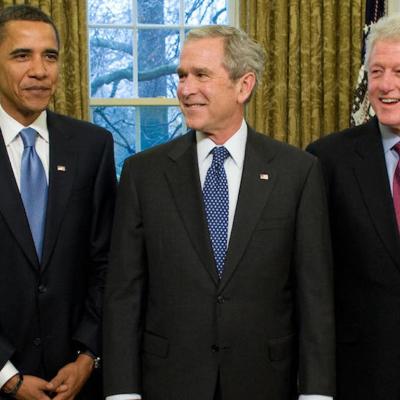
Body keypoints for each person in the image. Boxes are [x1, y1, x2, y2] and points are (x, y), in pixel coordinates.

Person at [103, 25, 334, 400]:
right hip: (169, 383)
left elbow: (315, 295)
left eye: (201, 75)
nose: (185, 88)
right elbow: (123, 294)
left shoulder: (298, 172)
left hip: (264, 383)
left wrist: (317, 392)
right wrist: (121, 392)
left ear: (244, 86)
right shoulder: (142, 173)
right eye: (182, 75)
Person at [0, 5, 116, 400]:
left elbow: (106, 262)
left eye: (49, 56)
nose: (39, 70)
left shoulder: (92, 146)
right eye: (22, 55)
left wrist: (88, 355)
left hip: (78, 381)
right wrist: (6, 375)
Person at [307, 14, 400, 400]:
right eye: (376, 70)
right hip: (360, 375)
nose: (385, 84)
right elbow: (311, 278)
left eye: (398, 70)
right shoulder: (328, 159)